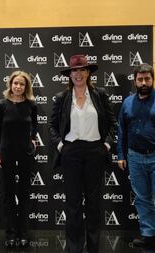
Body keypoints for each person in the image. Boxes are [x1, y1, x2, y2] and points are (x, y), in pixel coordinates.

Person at [49, 55, 117, 253]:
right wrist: (61, 145)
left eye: (82, 70)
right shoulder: (62, 98)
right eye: (74, 71)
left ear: (88, 73)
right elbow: (52, 125)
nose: (78, 74)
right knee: (73, 204)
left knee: (94, 203)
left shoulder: (100, 94)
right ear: (69, 75)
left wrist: (106, 145)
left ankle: (94, 247)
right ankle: (74, 248)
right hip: (71, 153)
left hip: (95, 151)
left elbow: (112, 124)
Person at [117, 63, 155, 253]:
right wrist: (121, 154)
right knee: (142, 199)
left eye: (147, 79)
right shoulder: (128, 102)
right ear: (135, 81)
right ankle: (148, 235)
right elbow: (122, 129)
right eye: (140, 79)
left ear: (152, 79)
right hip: (135, 157)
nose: (144, 82)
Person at [0, 71, 37, 248]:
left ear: (26, 87)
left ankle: (23, 233)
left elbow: (34, 126)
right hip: (7, 153)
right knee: (9, 195)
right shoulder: (1, 105)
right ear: (10, 85)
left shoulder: (31, 105)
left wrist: (33, 140)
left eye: (22, 84)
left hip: (25, 153)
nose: (18, 87)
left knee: (25, 194)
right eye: (15, 83)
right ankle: (11, 233)